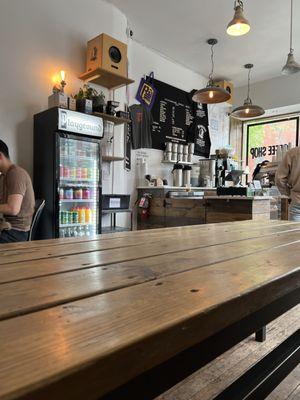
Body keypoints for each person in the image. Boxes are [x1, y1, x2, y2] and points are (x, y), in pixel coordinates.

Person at [0, 140, 35, 243]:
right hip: (7, 227)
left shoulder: (16, 174)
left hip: (16, 233)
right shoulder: (3, 176)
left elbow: (13, 209)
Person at [276, 146, 300, 221]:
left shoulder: (292, 153)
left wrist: (288, 193)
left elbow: (279, 178)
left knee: (294, 231)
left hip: (297, 199)